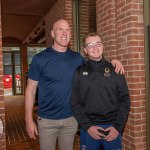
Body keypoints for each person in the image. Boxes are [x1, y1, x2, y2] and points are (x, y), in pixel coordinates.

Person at [25, 19, 124, 150]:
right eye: (60, 29)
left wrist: (112, 61)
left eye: (67, 29)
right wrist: (28, 119)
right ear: (52, 33)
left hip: (71, 119)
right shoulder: (40, 59)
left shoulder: (78, 59)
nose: (64, 33)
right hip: (47, 120)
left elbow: (95, 64)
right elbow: (31, 89)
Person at [71, 32, 130, 150]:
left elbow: (125, 100)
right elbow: (74, 102)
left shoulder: (115, 69)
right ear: (85, 50)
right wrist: (88, 127)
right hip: (89, 128)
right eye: (90, 44)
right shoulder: (79, 72)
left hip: (112, 127)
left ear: (103, 46)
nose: (95, 47)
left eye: (98, 43)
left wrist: (117, 127)